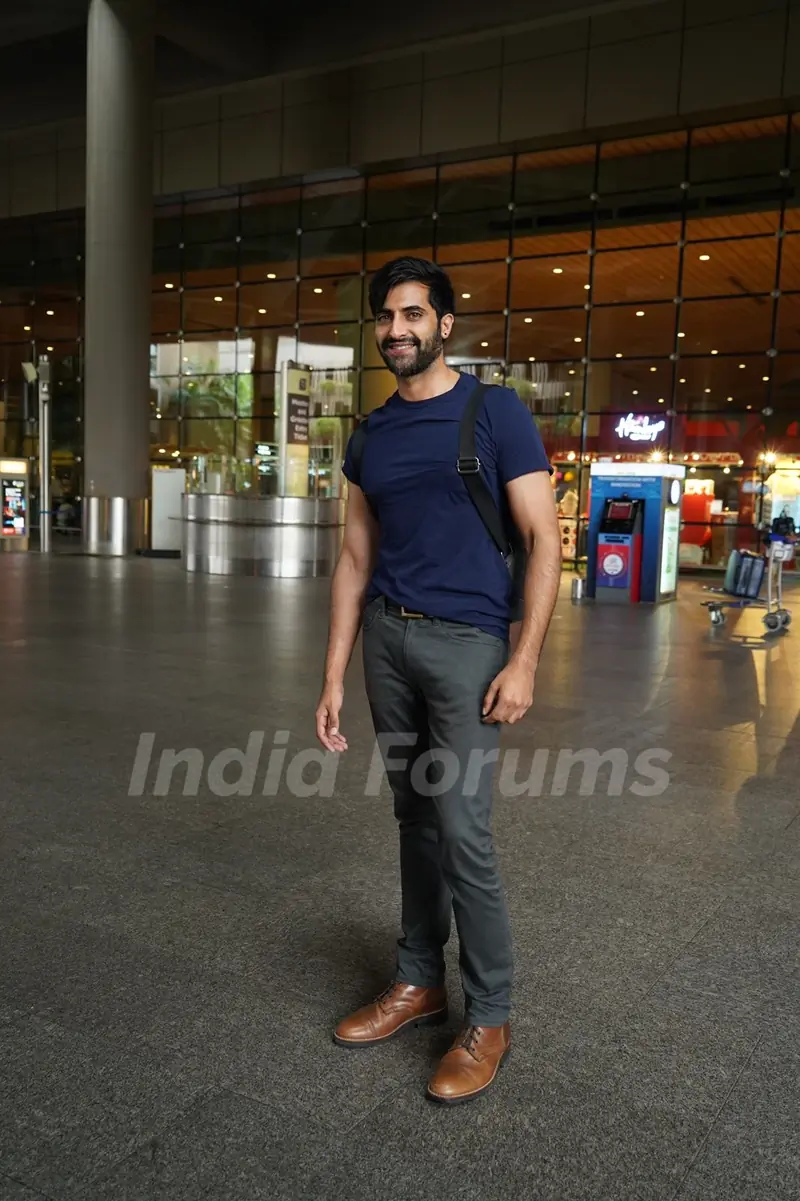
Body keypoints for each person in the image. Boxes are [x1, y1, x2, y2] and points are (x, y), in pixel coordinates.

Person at [315, 256, 561, 1105]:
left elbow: (545, 540)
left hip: (469, 648)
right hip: (389, 640)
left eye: (414, 314)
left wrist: (524, 659)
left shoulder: (494, 412)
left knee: (462, 826)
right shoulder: (372, 432)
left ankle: (489, 1014)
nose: (398, 329)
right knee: (415, 816)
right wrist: (334, 673)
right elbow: (354, 557)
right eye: (386, 316)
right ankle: (418, 982)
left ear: (445, 323)